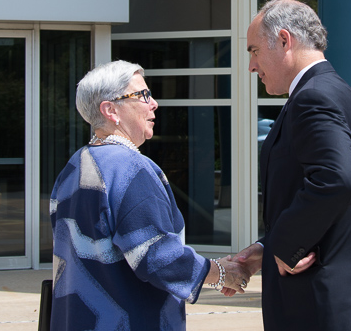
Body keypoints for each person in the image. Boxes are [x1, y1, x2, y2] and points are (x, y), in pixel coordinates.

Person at [234, 0, 351, 331]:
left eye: (254, 51)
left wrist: (286, 244)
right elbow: (340, 206)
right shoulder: (344, 96)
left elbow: (338, 178)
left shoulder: (312, 98)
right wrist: (268, 248)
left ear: (284, 40)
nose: (252, 66)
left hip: (330, 307)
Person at [50, 60, 249, 331]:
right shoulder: (130, 168)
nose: (153, 103)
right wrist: (221, 273)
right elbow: (157, 257)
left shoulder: (74, 167)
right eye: (143, 95)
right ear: (110, 110)